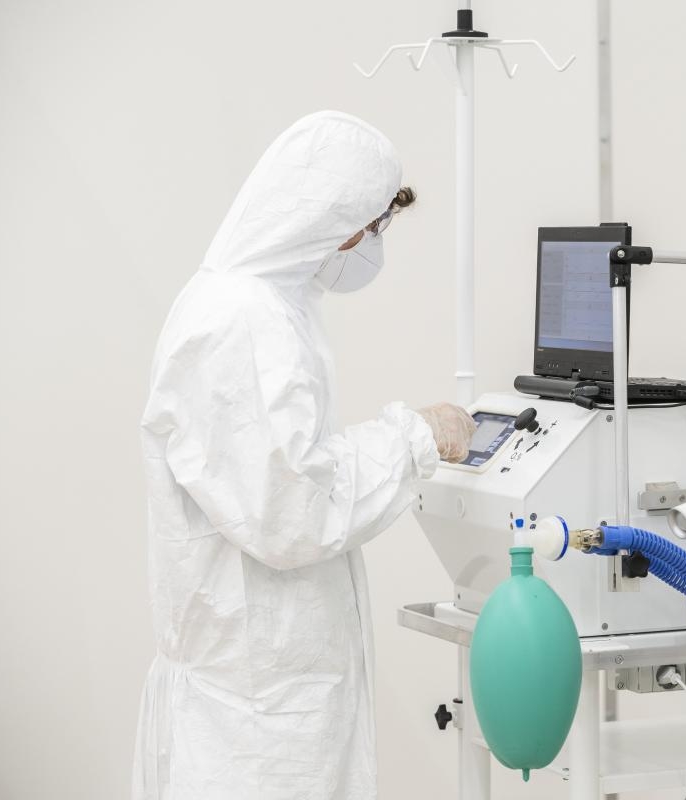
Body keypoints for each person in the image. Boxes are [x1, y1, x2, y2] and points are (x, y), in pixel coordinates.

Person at [132, 110, 475, 800]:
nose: (370, 244)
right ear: (332, 217)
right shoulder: (240, 321)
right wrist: (414, 436)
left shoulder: (261, 305)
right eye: (374, 225)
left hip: (264, 694)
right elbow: (292, 511)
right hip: (255, 721)